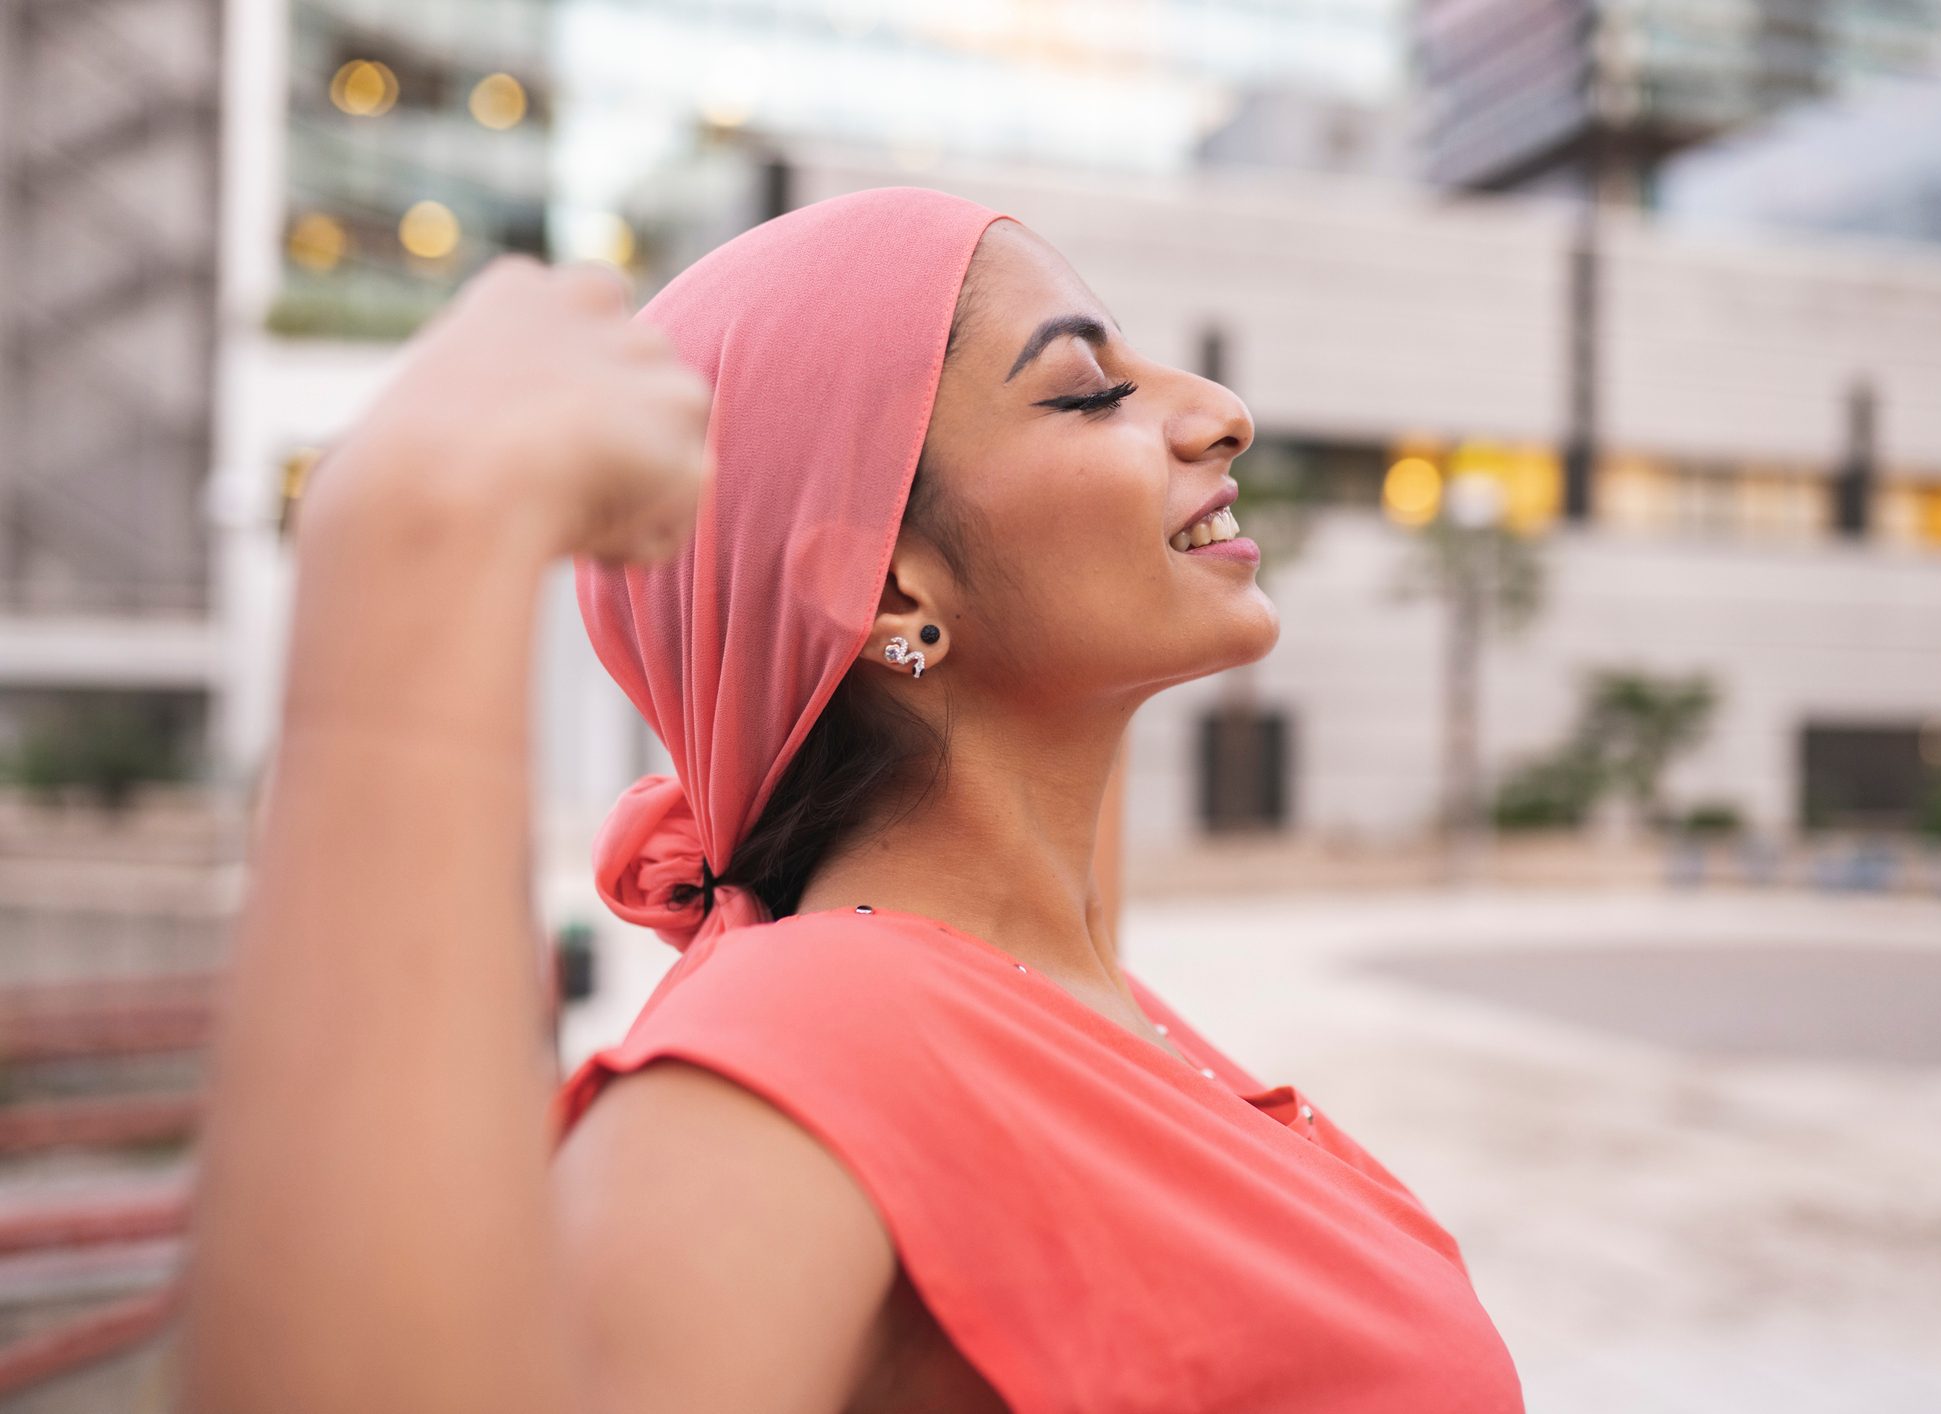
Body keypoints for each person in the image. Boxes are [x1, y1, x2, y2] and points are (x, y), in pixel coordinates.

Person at [177, 186, 1521, 1414]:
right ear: (886, 591)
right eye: (1085, 392)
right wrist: (425, 524)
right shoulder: (816, 1034)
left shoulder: (1059, 998)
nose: (1216, 407)